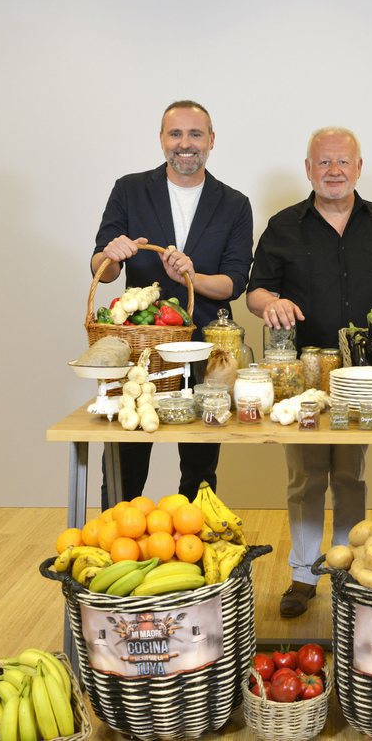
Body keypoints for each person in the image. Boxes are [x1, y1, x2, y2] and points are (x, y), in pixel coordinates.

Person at [246, 127, 372, 618]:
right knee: (307, 476)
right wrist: (271, 303)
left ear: (359, 167)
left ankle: (347, 570)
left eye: (342, 162)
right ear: (308, 168)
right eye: (323, 162)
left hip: (363, 374)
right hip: (301, 377)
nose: (333, 171)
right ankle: (302, 575)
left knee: (351, 474)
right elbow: (255, 291)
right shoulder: (283, 226)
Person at [92, 100, 253, 507]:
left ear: (211, 140)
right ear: (161, 139)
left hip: (207, 349)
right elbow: (101, 270)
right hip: (139, 347)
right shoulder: (129, 189)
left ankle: (196, 538)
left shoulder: (234, 203)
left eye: (195, 134)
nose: (185, 144)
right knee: (125, 460)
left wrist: (191, 278)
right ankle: (118, 532)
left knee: (200, 467)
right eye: (175, 134)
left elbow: (234, 283)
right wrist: (111, 255)